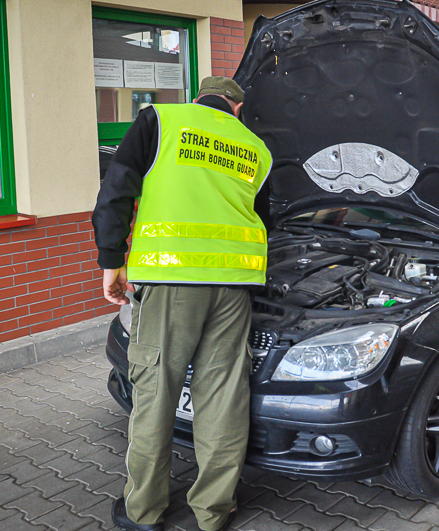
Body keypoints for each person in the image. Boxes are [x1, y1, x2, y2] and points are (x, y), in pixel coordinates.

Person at [92, 77, 272, 531]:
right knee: (224, 394)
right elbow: (264, 219)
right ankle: (213, 512)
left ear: (197, 99)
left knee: (156, 390)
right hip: (235, 285)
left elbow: (117, 189)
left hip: (172, 280)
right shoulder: (256, 148)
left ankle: (144, 512)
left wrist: (112, 260)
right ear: (236, 107)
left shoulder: (161, 119)